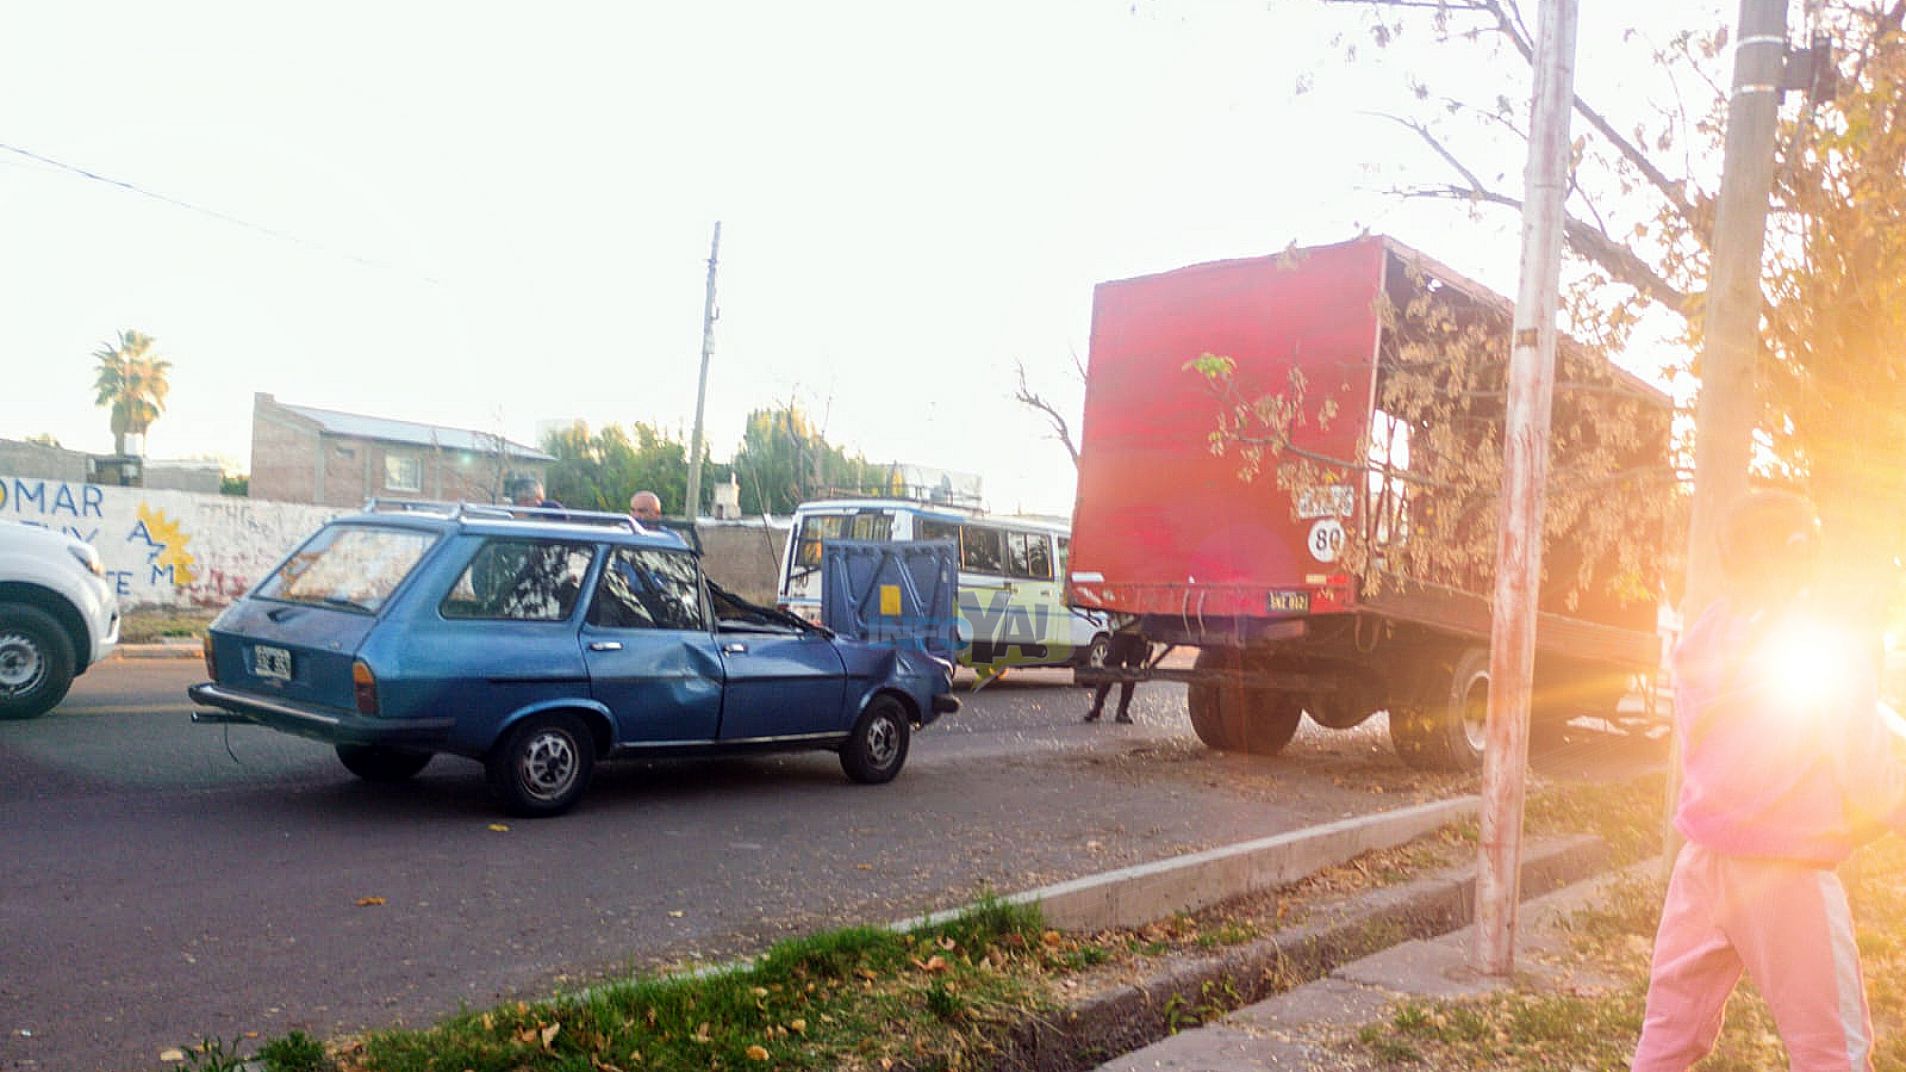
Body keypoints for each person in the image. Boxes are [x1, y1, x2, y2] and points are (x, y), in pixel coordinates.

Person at [1631, 491, 1906, 1072]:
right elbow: (1864, 760)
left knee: (1668, 1034)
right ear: (1802, 552)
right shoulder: (1826, 643)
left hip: (1701, 867)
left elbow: (1706, 740)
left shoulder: (1706, 636)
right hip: (1788, 876)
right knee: (1832, 1050)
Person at [1084, 630, 1150, 724]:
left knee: (1131, 673)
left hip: (1139, 634)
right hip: (1122, 631)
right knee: (1110, 671)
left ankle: (1122, 711)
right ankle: (1097, 708)